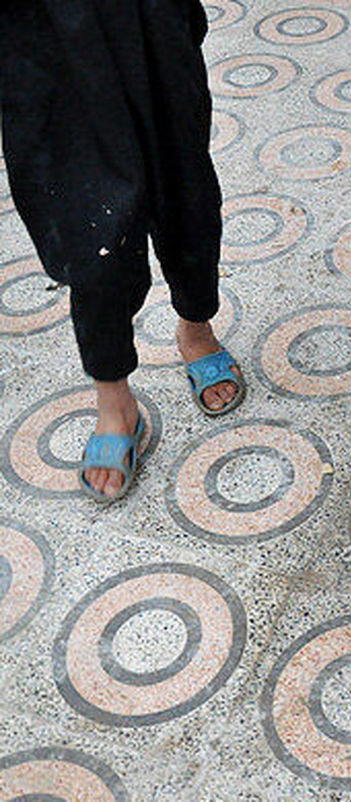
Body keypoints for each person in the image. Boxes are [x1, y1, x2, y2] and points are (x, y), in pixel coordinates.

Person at [0, 0, 247, 502]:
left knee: (186, 192)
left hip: (148, 16)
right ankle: (114, 400)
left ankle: (196, 328)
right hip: (40, 35)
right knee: (89, 232)